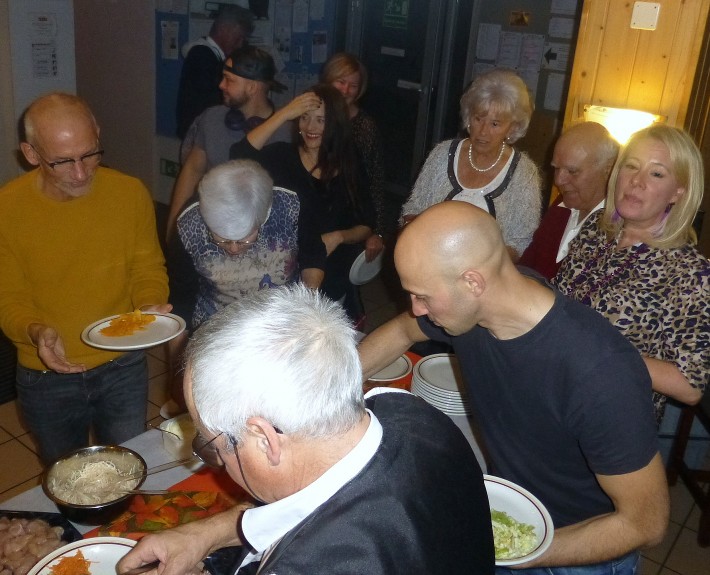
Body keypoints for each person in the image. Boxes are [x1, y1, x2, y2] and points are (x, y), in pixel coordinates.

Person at [359, 201, 669, 573]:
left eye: (422, 296)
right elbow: (402, 329)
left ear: (473, 282)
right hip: (509, 511)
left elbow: (645, 524)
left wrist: (518, 552)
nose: (416, 308)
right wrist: (331, 391)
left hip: (579, 551)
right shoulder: (475, 310)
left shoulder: (600, 372)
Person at [117, 284, 495, 575]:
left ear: (265, 439)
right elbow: (309, 508)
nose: (216, 459)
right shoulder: (411, 413)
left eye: (213, 445)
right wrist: (204, 534)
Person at [0, 93, 170, 464]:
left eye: (90, 154)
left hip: (122, 364)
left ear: (97, 135)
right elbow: (8, 298)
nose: (81, 173)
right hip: (46, 375)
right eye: (62, 161)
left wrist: (149, 304)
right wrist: (35, 331)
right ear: (31, 154)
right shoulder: (7, 209)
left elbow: (146, 266)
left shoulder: (129, 193)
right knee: (68, 477)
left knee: (126, 467)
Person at [553, 125, 710, 424]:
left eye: (656, 173)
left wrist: (600, 354)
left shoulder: (691, 272)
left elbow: (690, 386)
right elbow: (557, 299)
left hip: (610, 420)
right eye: (631, 166)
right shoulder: (597, 230)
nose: (637, 181)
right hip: (552, 392)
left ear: (678, 191)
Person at [231, 84, 376, 324]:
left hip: (331, 275)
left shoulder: (350, 163)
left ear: (335, 124)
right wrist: (283, 113)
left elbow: (366, 223)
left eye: (321, 120)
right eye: (304, 117)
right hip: (281, 273)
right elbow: (238, 155)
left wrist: (339, 236)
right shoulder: (281, 157)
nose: (310, 127)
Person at [400, 68, 542, 261]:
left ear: (512, 128)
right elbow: (413, 208)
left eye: (495, 124)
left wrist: (479, 267)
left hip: (486, 272)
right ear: (468, 118)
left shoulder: (524, 174)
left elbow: (521, 242)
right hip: (429, 260)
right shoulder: (442, 154)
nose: (483, 131)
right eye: (478, 119)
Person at [166, 46, 288, 242]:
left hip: (260, 241)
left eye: (229, 80)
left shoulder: (287, 133)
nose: (221, 85)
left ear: (252, 87)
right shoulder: (210, 119)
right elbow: (192, 171)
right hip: (210, 233)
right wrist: (174, 228)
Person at [519, 122, 619, 279]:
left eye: (572, 171)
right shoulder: (561, 206)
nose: (558, 180)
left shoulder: (614, 229)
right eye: (556, 168)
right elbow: (526, 266)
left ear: (609, 169)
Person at [321, 52, 386, 261]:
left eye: (353, 85)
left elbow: (375, 180)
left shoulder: (365, 127)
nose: (346, 90)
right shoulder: (312, 116)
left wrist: (377, 231)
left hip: (351, 217)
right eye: (341, 82)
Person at [175, 4, 254, 139]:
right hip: (197, 135)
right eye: (238, 37)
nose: (240, 44)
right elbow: (215, 100)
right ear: (224, 29)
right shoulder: (202, 55)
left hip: (201, 133)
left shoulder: (209, 54)